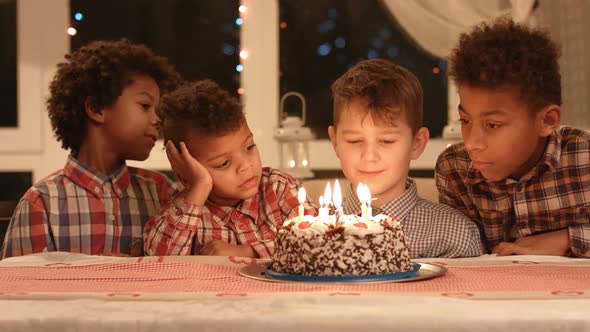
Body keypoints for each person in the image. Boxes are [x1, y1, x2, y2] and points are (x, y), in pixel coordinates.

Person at [1, 39, 183, 259]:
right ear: (96, 109)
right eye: (145, 106)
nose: (157, 120)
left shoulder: (162, 192)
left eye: (158, 111)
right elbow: (21, 289)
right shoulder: (42, 203)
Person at [436, 18, 590, 257]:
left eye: (493, 125)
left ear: (547, 120)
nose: (472, 143)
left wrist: (567, 239)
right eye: (465, 120)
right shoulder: (455, 169)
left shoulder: (584, 156)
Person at [143, 80, 316, 258]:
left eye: (249, 147)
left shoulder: (280, 188)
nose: (246, 166)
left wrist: (248, 252)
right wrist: (200, 185)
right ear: (186, 173)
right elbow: (160, 259)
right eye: (224, 163)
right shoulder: (183, 213)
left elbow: (317, 241)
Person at [329, 59, 483, 258]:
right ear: (335, 143)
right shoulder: (313, 231)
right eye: (354, 140)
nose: (369, 156)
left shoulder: (452, 235)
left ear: (417, 143)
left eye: (386, 141)